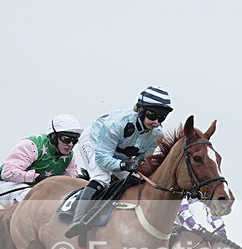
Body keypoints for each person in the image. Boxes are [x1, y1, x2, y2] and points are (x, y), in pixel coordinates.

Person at [65, 85, 173, 238]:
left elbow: (143, 159)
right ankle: (77, 220)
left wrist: (137, 166)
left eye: (162, 118)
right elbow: (103, 159)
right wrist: (124, 164)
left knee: (136, 180)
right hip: (94, 141)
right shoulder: (116, 124)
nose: (156, 122)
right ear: (140, 110)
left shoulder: (157, 134)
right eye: (152, 115)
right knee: (102, 178)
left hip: (118, 150)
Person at [0, 113, 83, 207]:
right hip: (9, 186)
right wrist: (36, 177)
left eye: (75, 140)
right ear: (54, 137)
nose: (71, 144)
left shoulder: (69, 157)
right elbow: (7, 172)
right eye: (66, 139)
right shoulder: (31, 145)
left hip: (40, 191)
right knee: (33, 196)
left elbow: (70, 183)